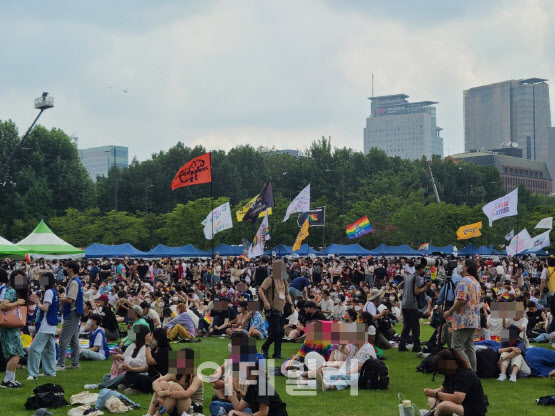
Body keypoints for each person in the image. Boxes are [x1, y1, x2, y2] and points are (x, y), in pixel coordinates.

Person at [423, 348, 486, 416]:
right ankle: (436, 412)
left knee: (444, 406)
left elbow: (458, 399)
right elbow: (442, 389)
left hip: (472, 408)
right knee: (431, 399)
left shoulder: (464, 374)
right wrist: (431, 392)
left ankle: (433, 413)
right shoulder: (450, 371)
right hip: (459, 405)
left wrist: (436, 394)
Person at [84, 324, 149, 390]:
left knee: (121, 377)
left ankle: (100, 386)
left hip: (136, 373)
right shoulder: (132, 345)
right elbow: (125, 356)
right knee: (106, 377)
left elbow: (139, 363)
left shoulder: (145, 348)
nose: (131, 334)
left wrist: (122, 357)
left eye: (133, 332)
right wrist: (119, 354)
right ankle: (122, 384)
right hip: (127, 371)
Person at [443, 259, 481, 371]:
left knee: (456, 347)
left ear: (467, 267)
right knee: (469, 348)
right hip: (474, 319)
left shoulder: (463, 282)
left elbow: (460, 301)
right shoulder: (476, 282)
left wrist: (449, 312)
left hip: (463, 319)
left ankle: (468, 371)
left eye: (462, 264)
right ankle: (473, 372)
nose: (460, 266)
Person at [145, 348, 204, 416]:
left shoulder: (197, 377)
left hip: (192, 410)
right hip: (176, 408)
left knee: (174, 387)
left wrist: (167, 393)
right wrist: (159, 393)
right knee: (162, 383)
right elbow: (155, 382)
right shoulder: (176, 373)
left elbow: (186, 394)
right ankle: (149, 414)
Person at [27, 272, 59, 380]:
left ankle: (33, 373)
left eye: (42, 279)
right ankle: (50, 371)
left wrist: (37, 302)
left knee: (34, 349)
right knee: (48, 349)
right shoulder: (53, 291)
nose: (40, 281)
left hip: (46, 325)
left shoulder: (49, 292)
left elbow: (45, 308)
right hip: (51, 324)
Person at [259, 260, 293, 359]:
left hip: (281, 310)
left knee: (280, 333)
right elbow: (261, 290)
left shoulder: (283, 280)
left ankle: (277, 353)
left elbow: (287, 294)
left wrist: (291, 304)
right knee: (276, 331)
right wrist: (266, 302)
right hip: (272, 310)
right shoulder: (269, 279)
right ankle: (264, 347)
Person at [123, 328, 171, 395]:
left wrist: (147, 345)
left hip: (160, 380)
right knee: (130, 373)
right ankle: (133, 386)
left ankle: (134, 387)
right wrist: (131, 369)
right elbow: (147, 367)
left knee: (139, 377)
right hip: (150, 376)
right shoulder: (152, 349)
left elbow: (149, 361)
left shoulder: (165, 351)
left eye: (153, 338)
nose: (151, 340)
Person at [0, 270, 27, 388]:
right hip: (9, 326)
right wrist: (18, 303)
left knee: (13, 353)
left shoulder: (13, 291)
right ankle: (7, 381)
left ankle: (11, 379)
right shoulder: (11, 291)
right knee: (17, 352)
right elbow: (3, 305)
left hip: (11, 326)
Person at [56, 261, 84, 371]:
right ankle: (75, 363)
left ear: (71, 269)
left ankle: (61, 364)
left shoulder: (74, 282)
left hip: (72, 312)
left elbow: (70, 299)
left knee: (63, 338)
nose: (65, 270)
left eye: (66, 268)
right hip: (75, 312)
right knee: (74, 340)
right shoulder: (75, 281)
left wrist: (59, 298)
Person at [398, 264, 431, 352]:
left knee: (406, 326)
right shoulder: (416, 277)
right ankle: (416, 347)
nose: (424, 271)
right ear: (420, 269)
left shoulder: (408, 276)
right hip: (412, 305)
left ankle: (402, 346)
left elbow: (399, 286)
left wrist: (407, 291)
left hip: (404, 304)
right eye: (423, 269)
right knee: (415, 327)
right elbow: (416, 291)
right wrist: (426, 287)